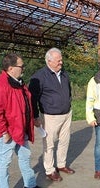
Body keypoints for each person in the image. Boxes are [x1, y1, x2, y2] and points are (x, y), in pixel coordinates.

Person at [0, 53, 40, 188]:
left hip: (21, 130)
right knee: (4, 162)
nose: (24, 69)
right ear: (11, 68)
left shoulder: (19, 83)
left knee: (25, 158)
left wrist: (33, 119)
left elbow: (26, 104)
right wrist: (4, 132)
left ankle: (30, 185)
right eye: (21, 66)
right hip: (8, 133)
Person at [29, 47, 75, 182]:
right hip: (50, 116)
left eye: (61, 60)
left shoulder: (64, 74)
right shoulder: (39, 76)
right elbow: (32, 98)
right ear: (49, 61)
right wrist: (35, 117)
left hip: (66, 114)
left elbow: (69, 91)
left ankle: (61, 164)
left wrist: (68, 104)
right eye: (58, 60)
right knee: (49, 144)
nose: (61, 63)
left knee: (64, 141)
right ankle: (50, 170)